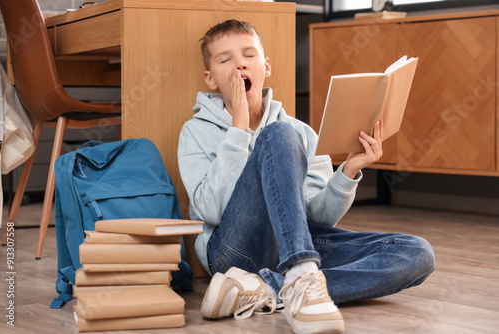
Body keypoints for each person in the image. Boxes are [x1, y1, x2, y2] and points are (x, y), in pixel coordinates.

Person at [177, 19, 435, 334]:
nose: (239, 64)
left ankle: (269, 289)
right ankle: (299, 275)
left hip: (291, 250)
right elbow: (209, 211)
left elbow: (316, 218)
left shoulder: (300, 133)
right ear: (211, 79)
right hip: (233, 254)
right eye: (225, 59)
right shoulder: (195, 132)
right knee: (278, 135)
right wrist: (238, 130)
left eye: (249, 55)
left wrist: (350, 169)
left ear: (266, 66)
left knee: (417, 253)